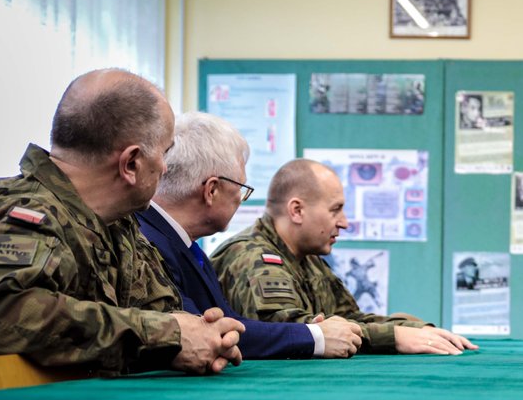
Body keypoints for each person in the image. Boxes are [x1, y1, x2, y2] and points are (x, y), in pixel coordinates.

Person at [0, 69, 243, 376]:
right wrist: (165, 336)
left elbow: (163, 312)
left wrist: (206, 334)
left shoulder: (119, 227)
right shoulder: (22, 212)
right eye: (165, 152)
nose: (165, 168)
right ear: (131, 163)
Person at [137, 112, 363, 360]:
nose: (240, 200)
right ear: (212, 190)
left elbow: (230, 323)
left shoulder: (181, 244)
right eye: (241, 189)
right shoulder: (147, 243)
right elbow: (203, 332)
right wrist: (316, 337)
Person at [213, 159, 476, 356]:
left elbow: (349, 317)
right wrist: (394, 336)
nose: (344, 223)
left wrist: (413, 329)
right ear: (297, 210)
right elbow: (294, 331)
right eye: (335, 210)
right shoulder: (254, 258)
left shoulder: (307, 259)